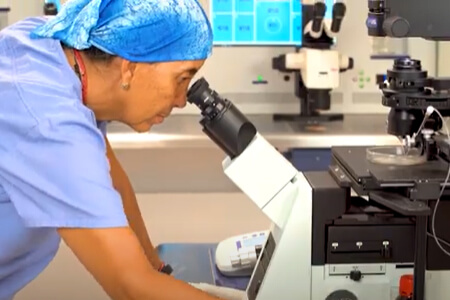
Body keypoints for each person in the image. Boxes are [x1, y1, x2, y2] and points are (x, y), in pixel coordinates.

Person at [0, 0, 244, 299]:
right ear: (128, 67)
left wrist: (157, 269)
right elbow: (130, 287)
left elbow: (113, 180)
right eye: (182, 78)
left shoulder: (52, 48)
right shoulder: (48, 122)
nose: (182, 100)